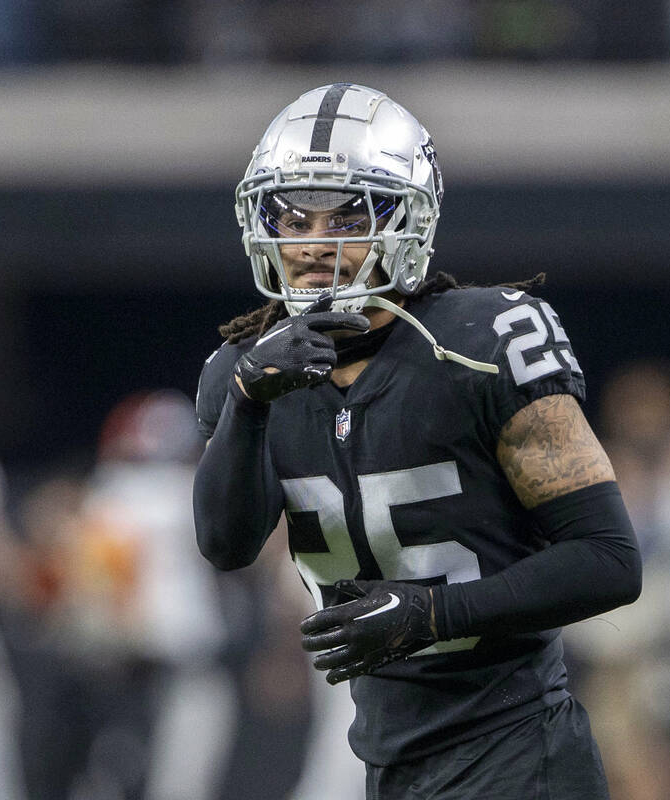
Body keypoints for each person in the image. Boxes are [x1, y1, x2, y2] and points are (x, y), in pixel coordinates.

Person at [192, 83, 642, 799]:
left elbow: (610, 561)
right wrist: (247, 403)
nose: (312, 243)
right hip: (390, 759)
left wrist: (431, 616)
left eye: (346, 216)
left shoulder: (482, 342)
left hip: (517, 750)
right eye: (291, 216)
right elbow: (226, 545)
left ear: (407, 221)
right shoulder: (241, 372)